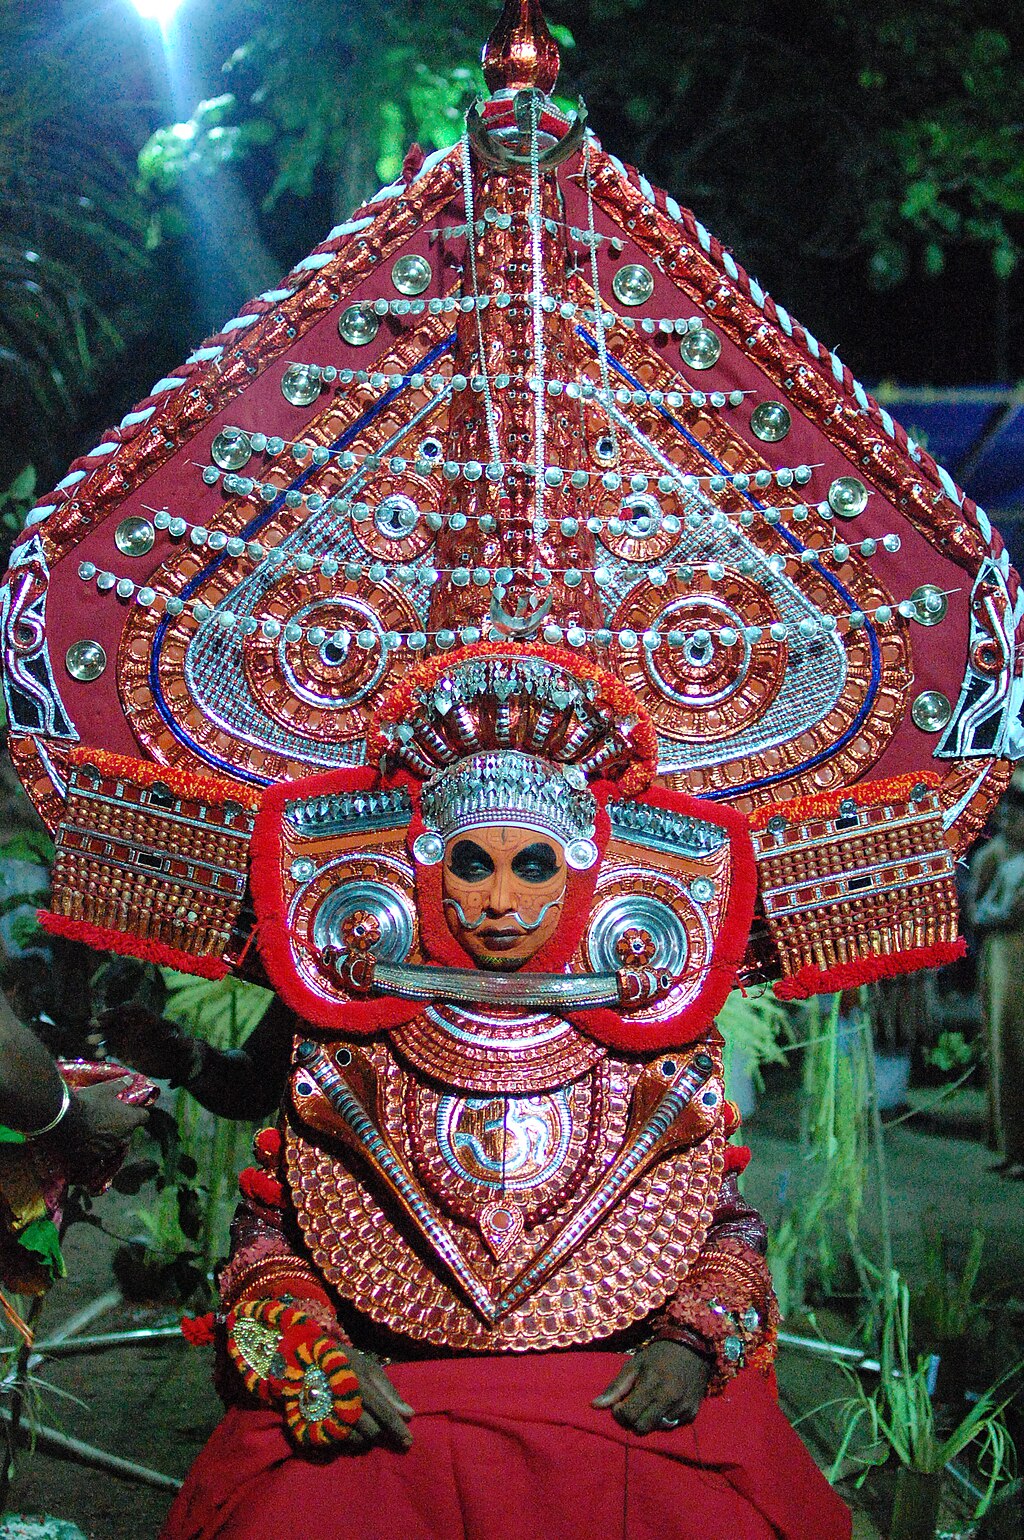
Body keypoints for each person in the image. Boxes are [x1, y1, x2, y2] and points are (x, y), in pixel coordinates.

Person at [970, 778, 1024, 1178]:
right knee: (1006, 1047)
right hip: (1003, 960)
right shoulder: (994, 856)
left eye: (1016, 815)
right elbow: (975, 912)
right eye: (1004, 814)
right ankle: (1012, 1146)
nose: (1009, 822)